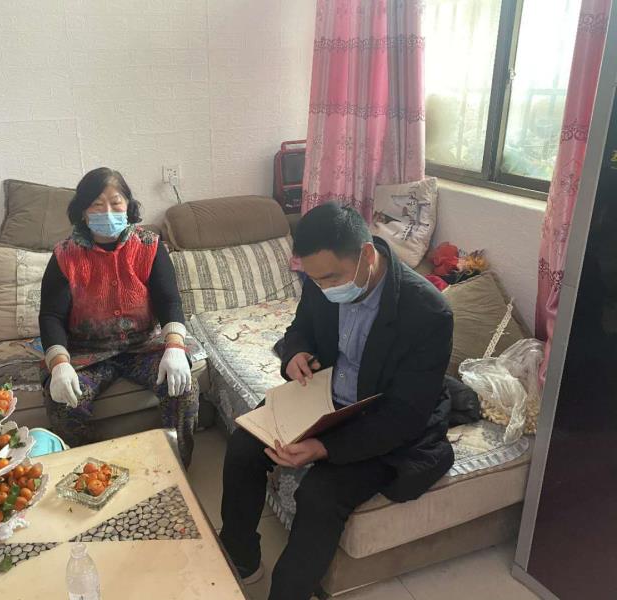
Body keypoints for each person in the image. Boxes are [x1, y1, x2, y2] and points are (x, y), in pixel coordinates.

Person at [219, 204, 455, 599]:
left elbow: (404, 417)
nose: (325, 289)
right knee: (244, 444)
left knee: (320, 496)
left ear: (367, 255)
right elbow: (300, 328)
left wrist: (322, 448)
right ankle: (240, 557)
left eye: (331, 278)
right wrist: (295, 353)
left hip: (380, 419)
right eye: (315, 280)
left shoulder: (428, 313)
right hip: (324, 400)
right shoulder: (321, 279)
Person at [38, 167, 198, 466]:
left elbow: (169, 300)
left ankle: (176, 465)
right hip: (87, 352)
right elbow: (51, 315)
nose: (108, 212)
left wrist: (175, 346)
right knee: (63, 401)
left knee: (183, 388)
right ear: (83, 211)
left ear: (128, 205)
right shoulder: (65, 255)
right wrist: (58, 364)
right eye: (97, 205)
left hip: (143, 346)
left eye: (115, 202)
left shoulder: (150, 246)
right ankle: (91, 471)